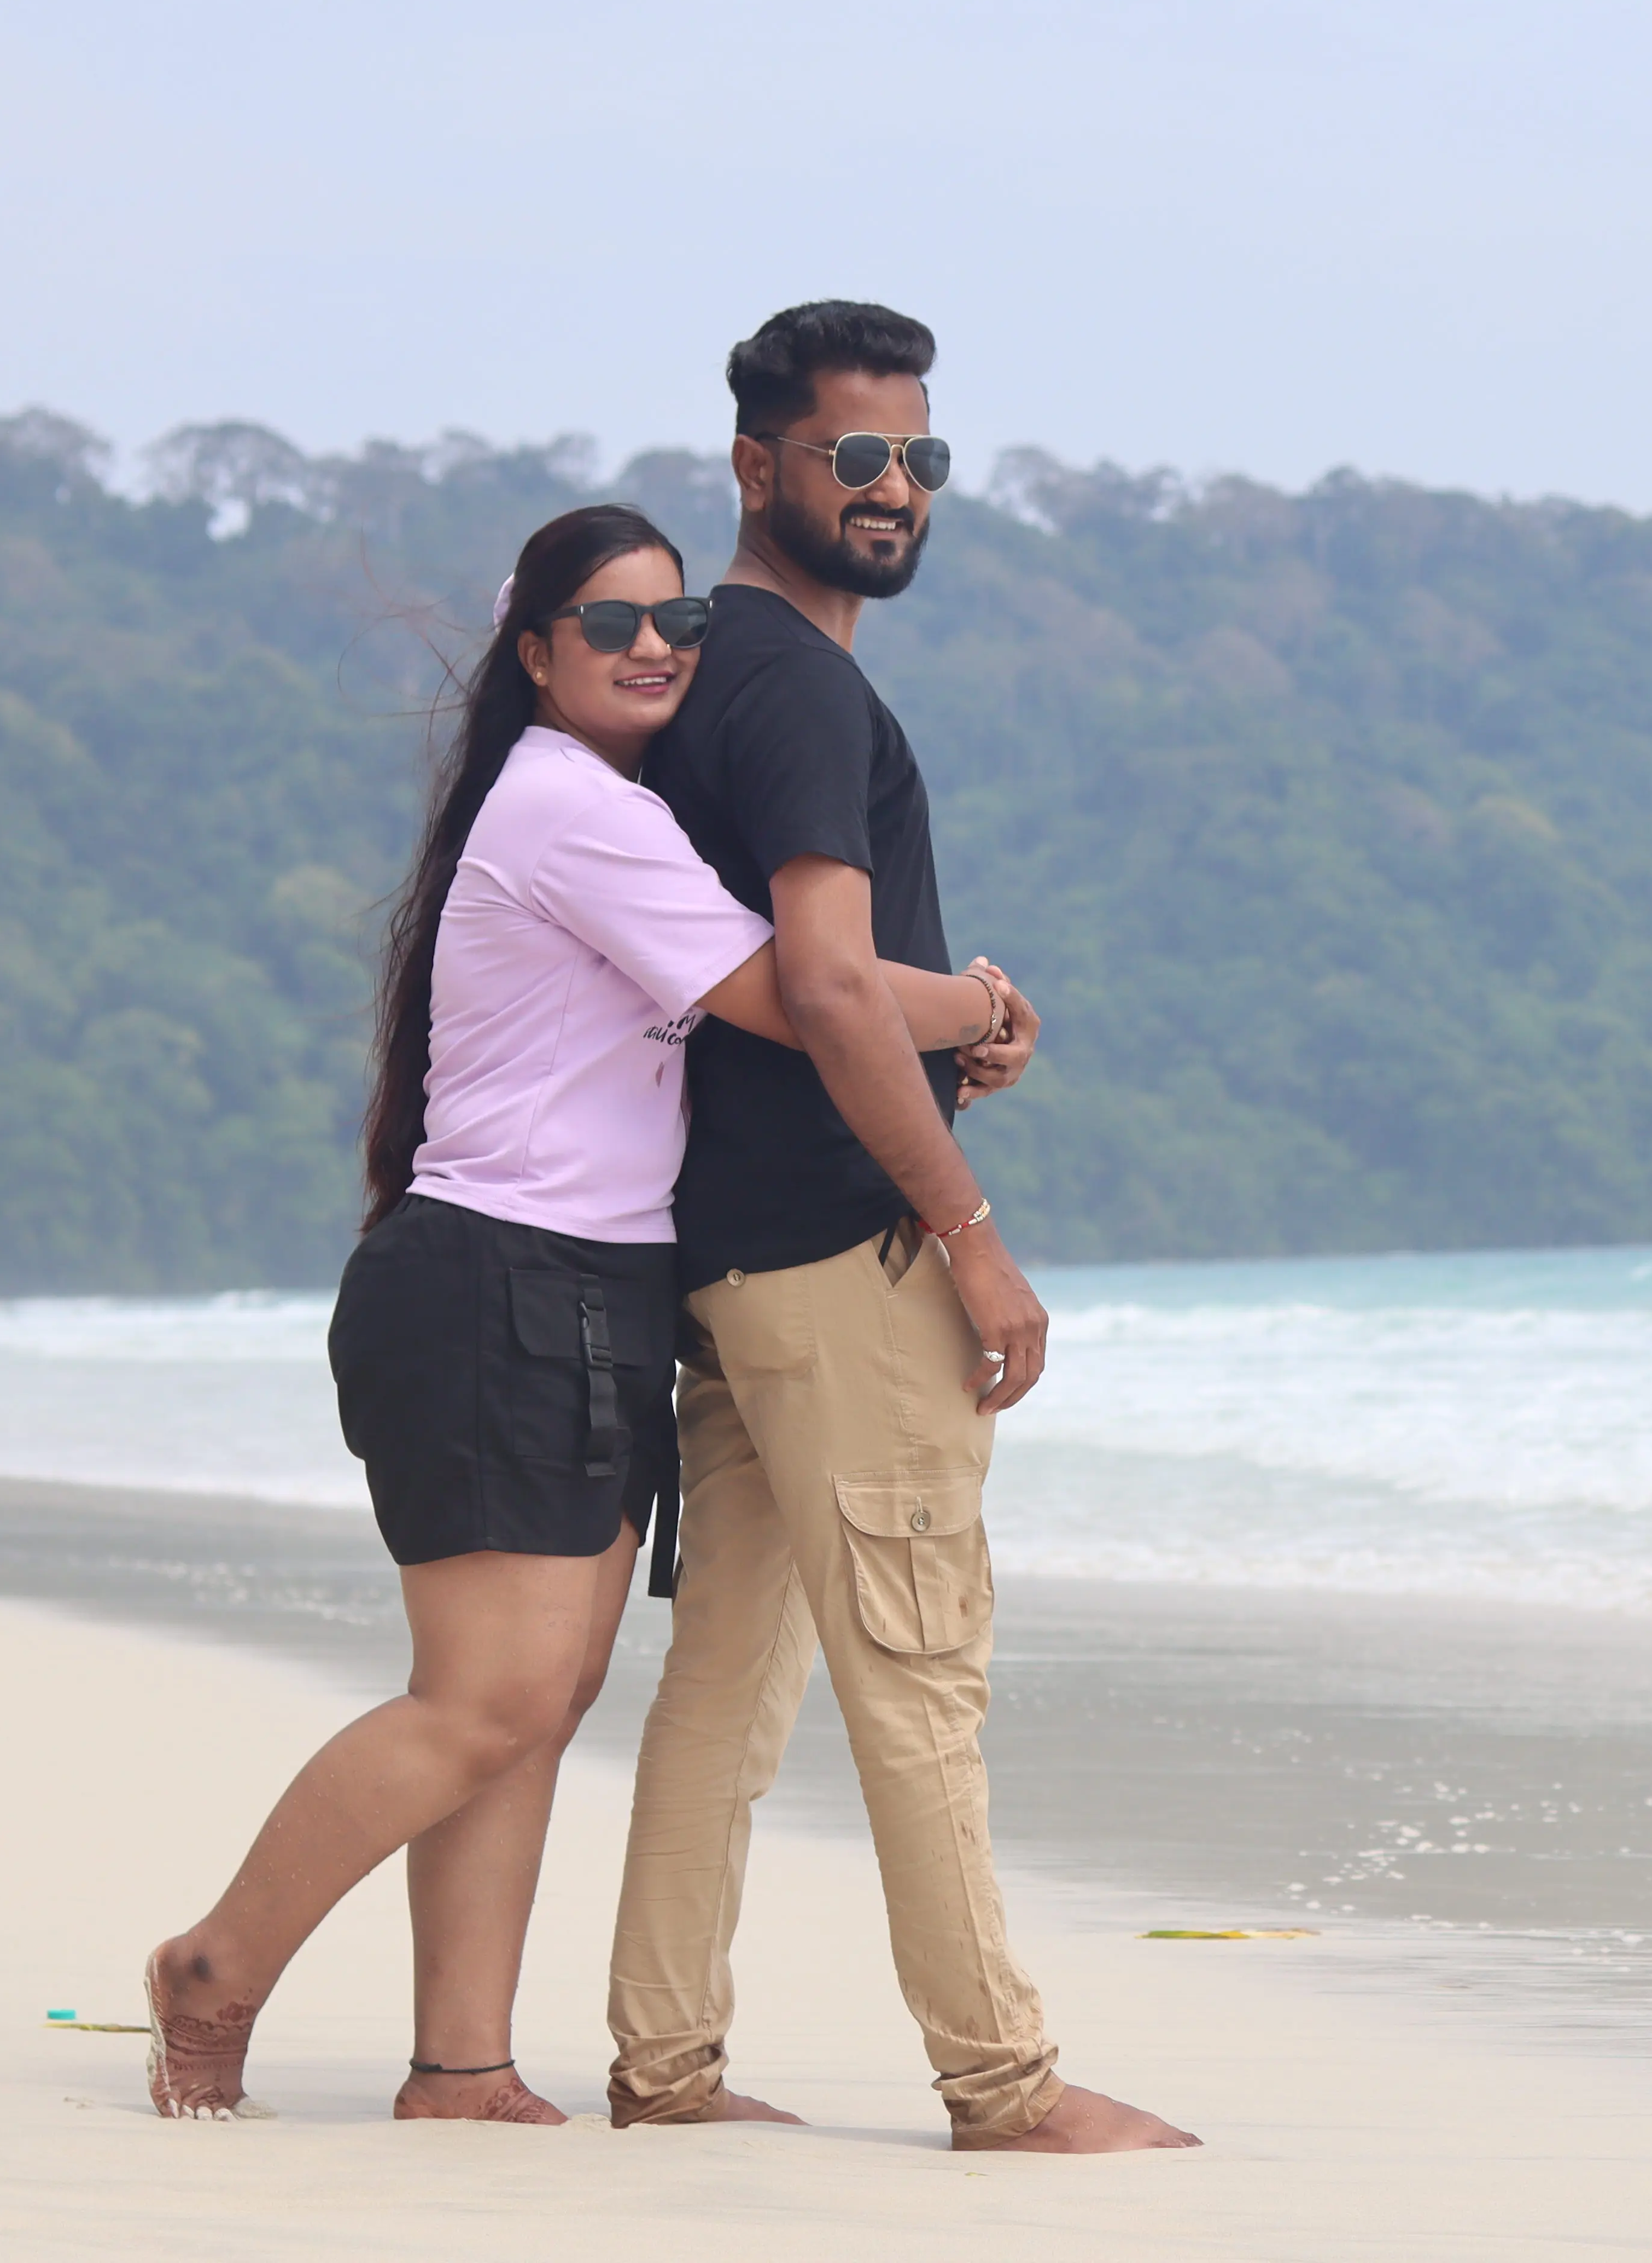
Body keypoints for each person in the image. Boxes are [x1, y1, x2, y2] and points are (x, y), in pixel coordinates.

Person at [143, 504, 1013, 2122]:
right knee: (492, 1699)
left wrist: (950, 1019)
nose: (652, 648)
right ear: (534, 656)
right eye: (605, 625)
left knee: (530, 1710)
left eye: (671, 620)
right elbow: (789, 989)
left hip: (582, 1282)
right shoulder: (570, 812)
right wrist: (978, 1005)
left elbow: (774, 972)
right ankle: (217, 1964)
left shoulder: (599, 809)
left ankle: (462, 2065)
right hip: (502, 1280)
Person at [603, 302, 1194, 2154]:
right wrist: (972, 1227)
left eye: (922, 457)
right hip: (847, 1273)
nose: (895, 488)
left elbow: (815, 987)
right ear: (758, 468)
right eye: (857, 455)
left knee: (730, 1689)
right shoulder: (791, 682)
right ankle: (1002, 2085)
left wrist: (967, 1026)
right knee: (920, 1677)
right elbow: (833, 989)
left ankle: (665, 2068)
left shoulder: (715, 675)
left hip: (735, 1264)